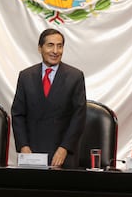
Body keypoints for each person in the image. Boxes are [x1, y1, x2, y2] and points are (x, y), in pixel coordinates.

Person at [11, 28, 86, 168]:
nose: (55, 51)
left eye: (60, 46)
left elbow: (79, 117)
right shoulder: (26, 76)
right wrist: (23, 146)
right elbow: (18, 114)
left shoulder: (75, 76)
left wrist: (64, 148)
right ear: (40, 48)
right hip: (31, 154)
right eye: (50, 45)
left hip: (63, 155)